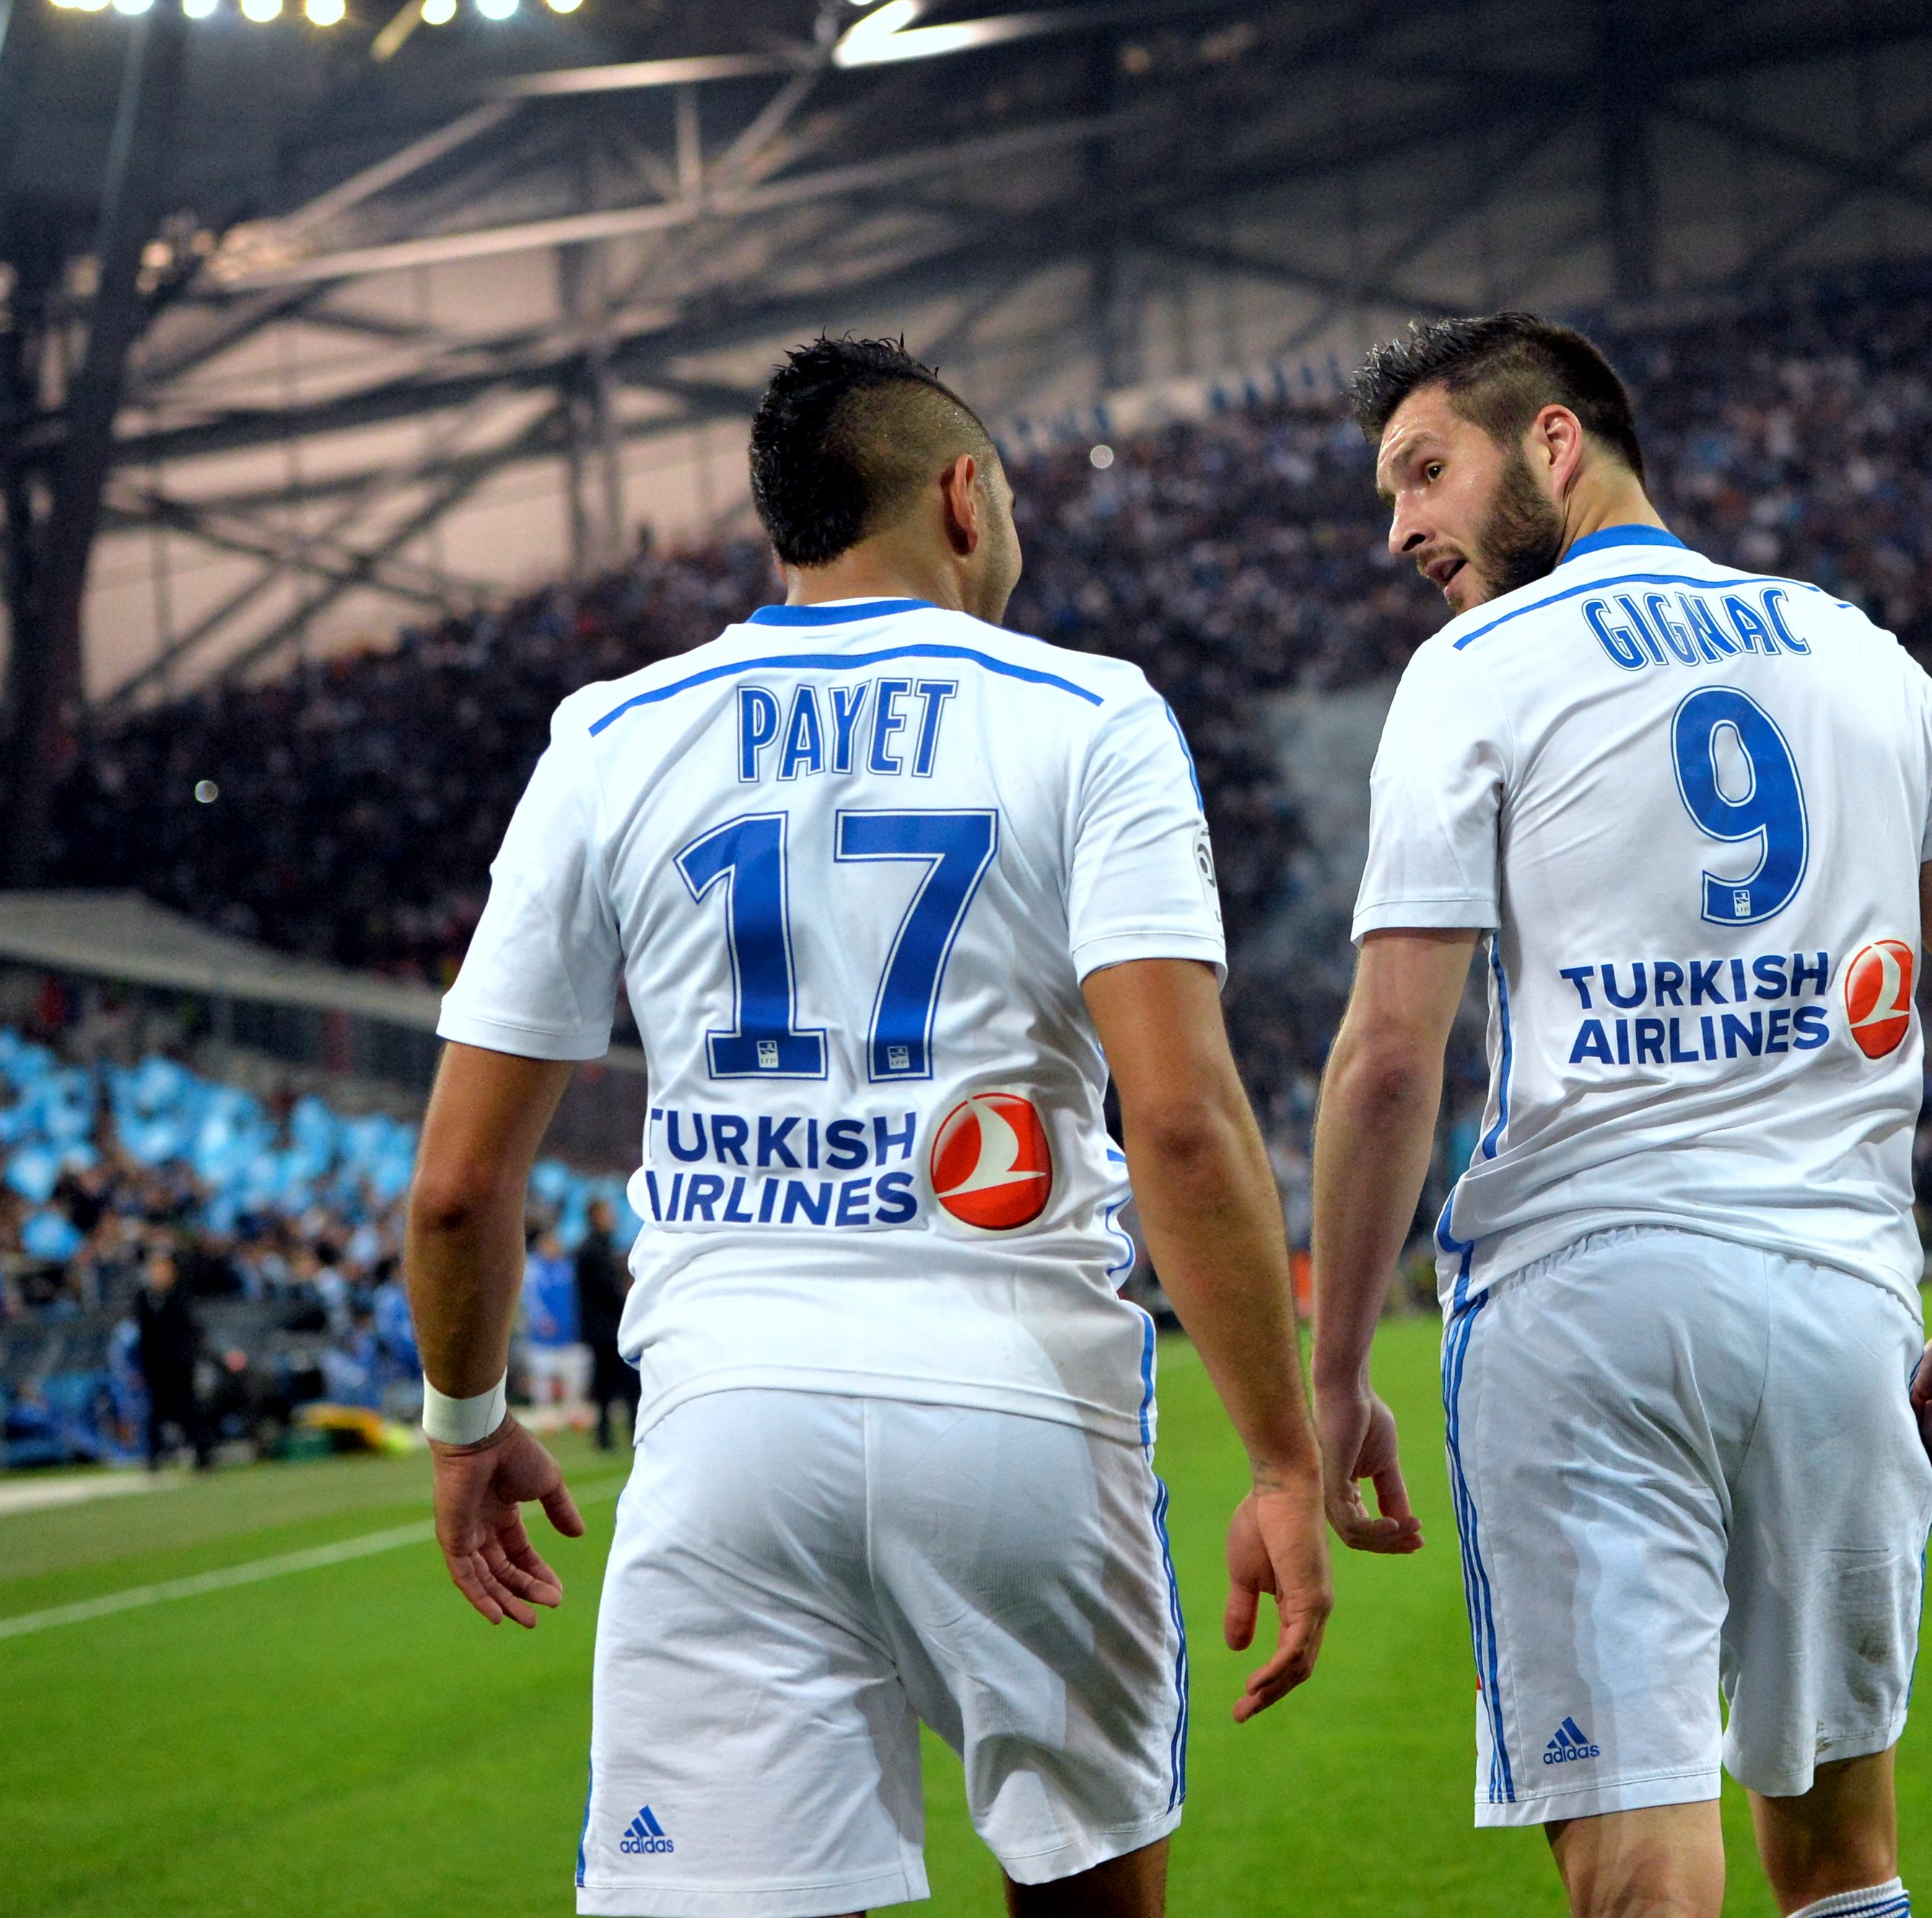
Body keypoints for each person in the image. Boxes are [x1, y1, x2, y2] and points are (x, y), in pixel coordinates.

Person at [405, 334, 1331, 1918]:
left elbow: (455, 1184)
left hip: (728, 1423)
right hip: (1023, 1406)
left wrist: (468, 1414)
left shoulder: (613, 736)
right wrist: (1283, 1462)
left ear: (784, 528)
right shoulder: (1088, 714)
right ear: (964, 495)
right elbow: (1179, 1126)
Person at [1308, 314, 1932, 1918]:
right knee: (1843, 1856)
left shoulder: (1476, 668)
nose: (1397, 531)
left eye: (1425, 471)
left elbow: (1394, 1053)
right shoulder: (1870, 657)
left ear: (1557, 443)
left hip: (1587, 1298)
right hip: (1840, 1306)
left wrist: (1328, 1370)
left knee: (1640, 1856)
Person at [131, 1247, 213, 1471]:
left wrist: (183, 1361)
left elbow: (187, 1334)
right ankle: (153, 1459)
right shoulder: (144, 1299)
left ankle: (204, 1457)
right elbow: (144, 1337)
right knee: (155, 1415)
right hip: (156, 1369)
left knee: (188, 1412)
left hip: (179, 1368)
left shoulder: (179, 1297)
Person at [573, 1198, 639, 1452]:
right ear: (596, 1216)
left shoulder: (591, 1247)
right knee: (622, 1383)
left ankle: (606, 1437)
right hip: (607, 1328)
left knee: (605, 1386)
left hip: (599, 1328)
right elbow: (606, 1290)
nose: (612, 1218)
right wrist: (630, 1296)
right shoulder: (594, 1249)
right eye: (607, 1213)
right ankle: (626, 1434)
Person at [521, 1226, 588, 1421]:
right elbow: (529, 1299)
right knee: (542, 1376)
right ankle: (545, 1415)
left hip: (569, 1333)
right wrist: (539, 1319)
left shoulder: (567, 1267)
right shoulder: (533, 1270)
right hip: (542, 1336)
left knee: (575, 1375)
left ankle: (573, 1412)